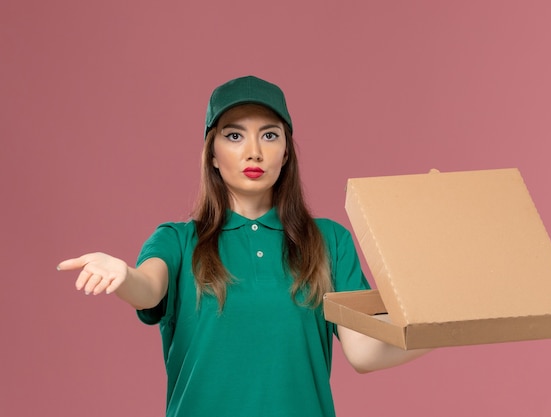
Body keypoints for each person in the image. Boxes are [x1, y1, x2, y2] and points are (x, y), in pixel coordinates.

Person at [57, 75, 430, 417]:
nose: (254, 151)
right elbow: (148, 289)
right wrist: (123, 276)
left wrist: (450, 327)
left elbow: (364, 351)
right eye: (234, 136)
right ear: (213, 155)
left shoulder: (329, 241)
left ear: (286, 153)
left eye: (270, 135)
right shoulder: (177, 240)